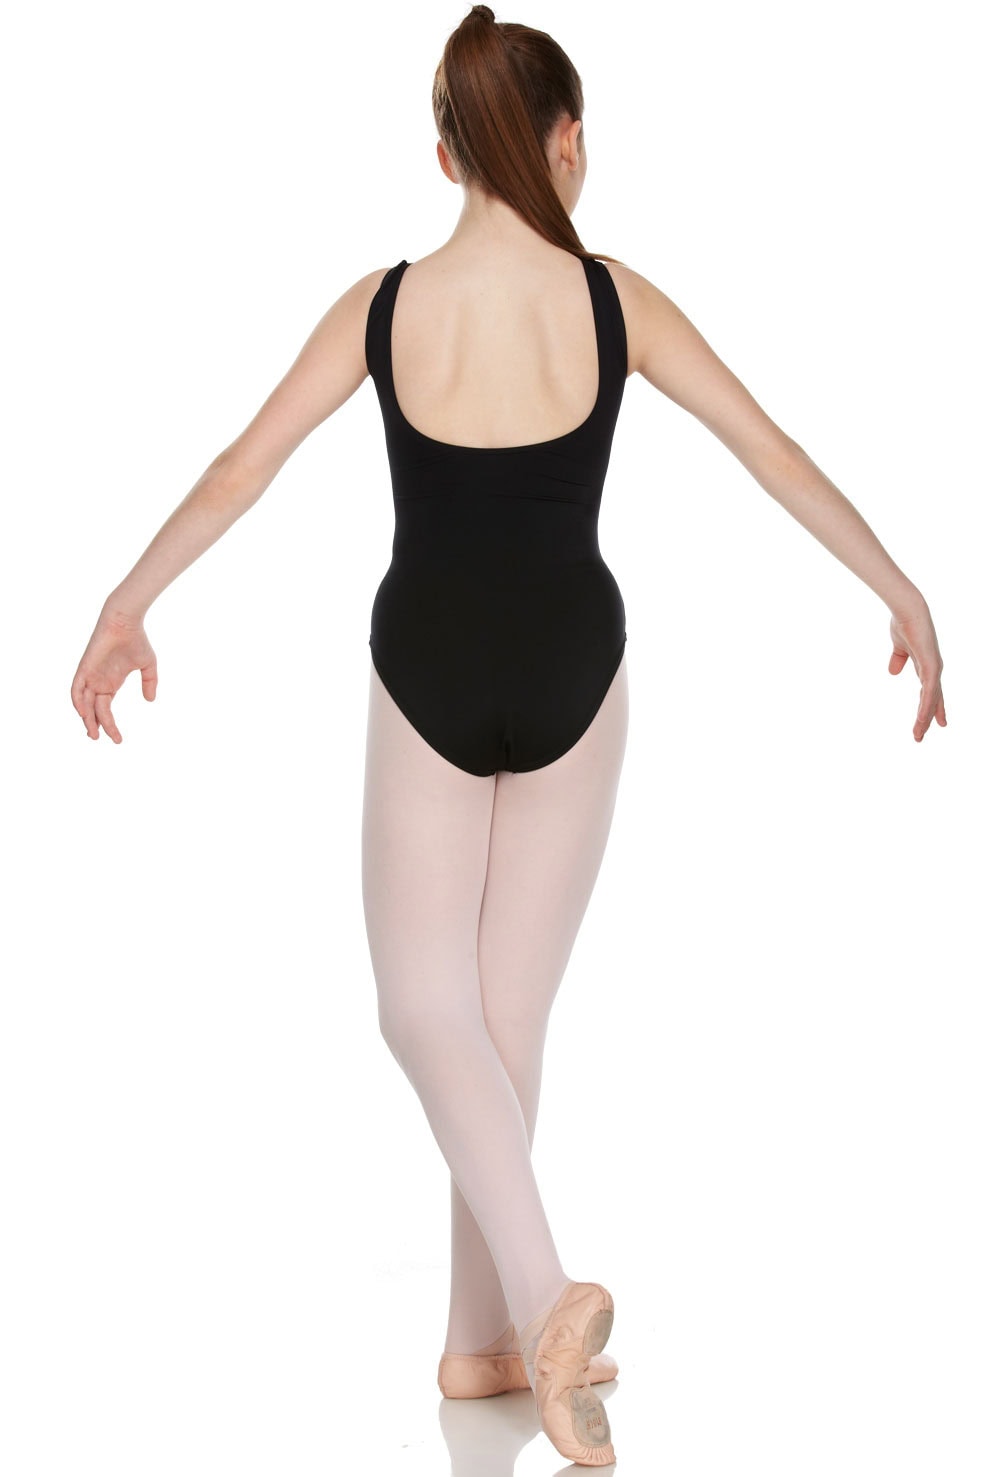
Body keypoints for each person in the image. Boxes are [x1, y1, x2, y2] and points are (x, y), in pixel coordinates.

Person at [69, 4, 947, 1466]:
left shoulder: (383, 306)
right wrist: (898, 585)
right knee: (494, 1022)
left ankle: (537, 1310)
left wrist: (126, 601)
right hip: (574, 668)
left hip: (426, 661)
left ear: (441, 154)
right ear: (567, 141)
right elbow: (771, 448)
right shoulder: (616, 300)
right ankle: (483, 1349)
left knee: (431, 1012)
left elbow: (241, 466)